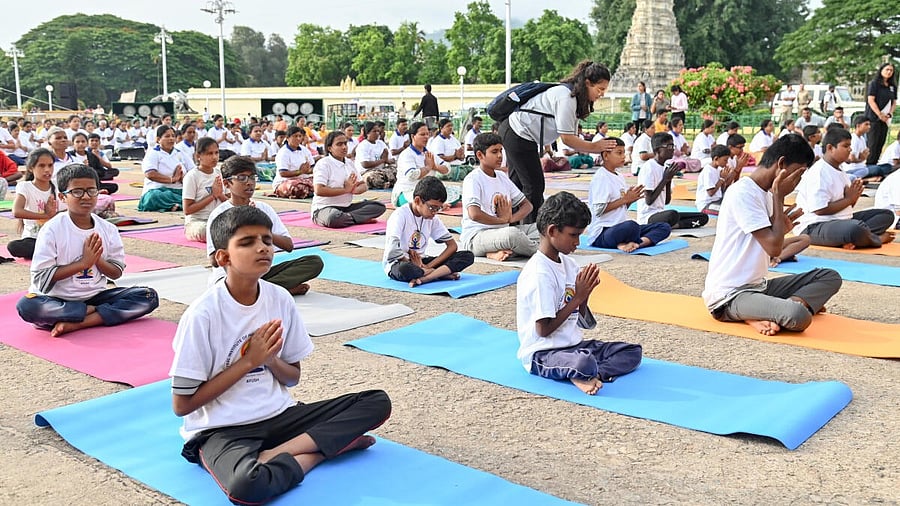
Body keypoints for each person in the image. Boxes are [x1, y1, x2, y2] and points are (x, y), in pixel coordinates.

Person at [171, 205, 391, 505]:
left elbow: (293, 378)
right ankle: (319, 453)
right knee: (247, 487)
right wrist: (248, 362)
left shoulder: (279, 298)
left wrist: (270, 360)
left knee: (376, 402)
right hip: (224, 430)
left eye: (266, 239)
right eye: (248, 242)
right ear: (223, 257)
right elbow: (182, 405)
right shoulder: (203, 314)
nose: (262, 247)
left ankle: (277, 454)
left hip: (280, 416)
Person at [702, 134, 841, 336]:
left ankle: (769, 309)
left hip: (759, 286)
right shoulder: (743, 193)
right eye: (797, 174)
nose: (797, 181)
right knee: (798, 315)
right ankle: (762, 312)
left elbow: (771, 244)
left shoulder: (765, 193)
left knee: (829, 276)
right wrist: (779, 196)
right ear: (781, 164)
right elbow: (774, 248)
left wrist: (781, 224)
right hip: (730, 295)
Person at [516, 191, 642, 395]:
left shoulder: (569, 264)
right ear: (552, 231)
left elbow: (582, 321)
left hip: (575, 346)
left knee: (632, 352)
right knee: (583, 362)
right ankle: (583, 371)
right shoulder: (539, 274)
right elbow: (543, 330)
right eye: (573, 235)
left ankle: (593, 374)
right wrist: (577, 298)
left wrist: (585, 295)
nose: (577, 242)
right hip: (544, 354)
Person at [15, 163, 160, 337]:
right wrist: (83, 263)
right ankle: (94, 312)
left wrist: (97, 260)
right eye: (77, 192)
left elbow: (116, 273)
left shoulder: (108, 229)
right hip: (57, 299)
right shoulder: (53, 228)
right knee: (27, 306)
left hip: (94, 296)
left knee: (148, 296)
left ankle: (78, 322)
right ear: (62, 197)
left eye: (91, 190)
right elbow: (41, 278)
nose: (86, 197)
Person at [498, 61, 617, 224]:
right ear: (587, 83)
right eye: (600, 89)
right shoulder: (566, 96)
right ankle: (531, 232)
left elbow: (571, 135)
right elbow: (567, 138)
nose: (602, 94)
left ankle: (512, 228)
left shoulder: (574, 97)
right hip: (516, 133)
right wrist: (596, 147)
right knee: (534, 186)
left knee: (519, 186)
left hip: (521, 135)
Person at [206, 156, 324, 295]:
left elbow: (288, 245)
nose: (249, 183)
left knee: (314, 262)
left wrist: (261, 229)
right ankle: (275, 290)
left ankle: (264, 290)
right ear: (227, 184)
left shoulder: (263, 208)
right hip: (232, 276)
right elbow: (214, 260)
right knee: (231, 287)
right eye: (242, 178)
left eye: (252, 177)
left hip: (260, 273)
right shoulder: (219, 214)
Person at [793, 128, 896, 249]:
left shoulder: (840, 171)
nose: (850, 149)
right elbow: (819, 210)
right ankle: (876, 239)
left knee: (886, 215)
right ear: (830, 148)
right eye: (845, 146)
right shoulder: (819, 172)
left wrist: (853, 198)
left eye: (850, 145)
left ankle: (856, 238)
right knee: (855, 228)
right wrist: (849, 199)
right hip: (815, 226)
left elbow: (846, 207)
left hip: (841, 221)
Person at [460, 132, 539, 261]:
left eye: (501, 150)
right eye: (494, 152)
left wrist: (510, 219)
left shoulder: (502, 176)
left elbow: (527, 206)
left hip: (502, 231)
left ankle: (501, 252)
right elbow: (474, 214)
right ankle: (541, 251)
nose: (500, 156)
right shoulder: (473, 179)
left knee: (541, 228)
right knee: (512, 235)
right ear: (480, 155)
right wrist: (502, 221)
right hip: (477, 236)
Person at [384, 175, 474, 286]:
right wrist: (414, 264)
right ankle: (439, 274)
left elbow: (452, 246)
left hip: (422, 262)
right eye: (432, 207)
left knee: (467, 256)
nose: (435, 212)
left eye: (438, 208)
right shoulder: (400, 215)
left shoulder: (432, 218)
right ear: (417, 201)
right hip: (401, 262)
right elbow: (392, 250)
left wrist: (428, 266)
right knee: (405, 270)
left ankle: (427, 277)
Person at [586, 137, 670, 252]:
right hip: (603, 232)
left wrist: (631, 199)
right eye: (619, 153)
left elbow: (621, 208)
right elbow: (598, 210)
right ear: (605, 156)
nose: (623, 156)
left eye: (624, 153)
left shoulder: (619, 176)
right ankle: (630, 242)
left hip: (619, 227)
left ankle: (635, 244)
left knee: (663, 227)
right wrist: (625, 199)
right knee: (631, 226)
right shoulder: (601, 177)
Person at [311, 131, 386, 228]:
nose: (344, 147)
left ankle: (350, 218)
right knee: (333, 218)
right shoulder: (324, 164)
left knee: (379, 207)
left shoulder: (349, 163)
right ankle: (358, 218)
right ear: (330, 148)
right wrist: (345, 190)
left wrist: (355, 190)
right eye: (339, 144)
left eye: (345, 143)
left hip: (347, 207)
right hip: (324, 208)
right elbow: (319, 190)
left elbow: (363, 185)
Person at [637, 132, 709, 229]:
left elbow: (666, 201)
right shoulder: (649, 167)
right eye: (669, 146)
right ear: (658, 150)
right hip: (648, 216)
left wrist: (669, 180)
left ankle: (672, 225)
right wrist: (665, 179)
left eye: (673, 146)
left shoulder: (665, 167)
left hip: (661, 213)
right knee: (672, 214)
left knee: (703, 217)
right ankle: (668, 224)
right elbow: (649, 201)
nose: (673, 150)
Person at [7, 149, 57, 259]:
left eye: (50, 165)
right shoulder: (25, 186)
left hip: (55, 236)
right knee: (14, 247)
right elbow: (17, 211)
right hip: (33, 238)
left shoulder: (57, 186)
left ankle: (50, 250)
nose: (47, 170)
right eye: (41, 166)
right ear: (31, 168)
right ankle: (50, 251)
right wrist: (46, 216)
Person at [138, 125, 195, 212]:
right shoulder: (153, 153)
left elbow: (194, 172)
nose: (171, 139)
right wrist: (172, 179)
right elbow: (150, 174)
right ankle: (186, 204)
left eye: (173, 136)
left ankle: (177, 204)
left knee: (199, 194)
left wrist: (185, 179)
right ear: (158, 139)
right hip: (157, 190)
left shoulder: (180, 153)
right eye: (167, 136)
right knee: (153, 197)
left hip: (178, 190)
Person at [392, 121, 450, 206]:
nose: (426, 137)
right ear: (413, 136)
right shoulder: (406, 154)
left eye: (427, 134)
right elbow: (412, 175)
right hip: (407, 191)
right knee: (420, 203)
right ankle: (436, 205)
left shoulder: (429, 153)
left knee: (455, 192)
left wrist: (435, 167)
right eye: (422, 134)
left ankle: (435, 205)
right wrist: (428, 167)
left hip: (428, 192)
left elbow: (447, 169)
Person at [182, 137, 227, 242]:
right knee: (208, 231)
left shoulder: (218, 173)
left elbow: (229, 202)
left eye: (216, 153)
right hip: (197, 222)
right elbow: (187, 210)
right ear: (198, 156)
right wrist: (212, 196)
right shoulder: (192, 176)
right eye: (209, 154)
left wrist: (220, 195)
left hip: (218, 220)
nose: (214, 157)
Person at [842, 116, 895, 181]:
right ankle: (865, 179)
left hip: (862, 166)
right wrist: (861, 159)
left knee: (887, 166)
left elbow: (866, 153)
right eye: (866, 124)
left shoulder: (862, 139)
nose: (869, 127)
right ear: (858, 126)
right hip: (854, 168)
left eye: (869, 124)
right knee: (877, 169)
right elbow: (852, 158)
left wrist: (862, 157)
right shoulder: (854, 139)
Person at [864, 62, 896, 166]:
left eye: (891, 70)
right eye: (887, 69)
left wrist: (890, 114)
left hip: (885, 119)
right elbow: (871, 100)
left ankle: (875, 164)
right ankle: (869, 165)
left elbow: (894, 101)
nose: (889, 72)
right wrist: (879, 114)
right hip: (874, 118)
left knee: (880, 143)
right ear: (881, 70)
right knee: (873, 143)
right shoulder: (875, 84)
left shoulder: (892, 86)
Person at [272, 126, 316, 199]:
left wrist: (307, 171)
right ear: (288, 137)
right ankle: (309, 191)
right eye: (295, 136)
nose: (298, 139)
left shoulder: (305, 150)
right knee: (297, 187)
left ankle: (309, 191)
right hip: (285, 181)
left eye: (300, 136)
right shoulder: (283, 152)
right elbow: (283, 173)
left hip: (304, 179)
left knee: (321, 181)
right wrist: (300, 172)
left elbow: (312, 167)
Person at [695, 145, 738, 216]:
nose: (726, 163)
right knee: (728, 212)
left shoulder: (718, 170)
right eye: (725, 160)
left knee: (735, 205)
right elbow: (711, 192)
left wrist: (725, 179)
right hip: (706, 204)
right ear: (716, 158)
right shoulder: (708, 171)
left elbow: (722, 190)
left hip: (717, 201)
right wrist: (722, 179)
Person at [355, 121, 395, 190]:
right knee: (372, 177)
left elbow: (392, 160)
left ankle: (385, 183)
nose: (377, 133)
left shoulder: (381, 143)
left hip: (381, 171)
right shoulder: (363, 145)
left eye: (378, 131)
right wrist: (382, 160)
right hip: (366, 172)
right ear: (367, 133)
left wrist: (387, 160)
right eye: (374, 131)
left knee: (395, 170)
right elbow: (365, 164)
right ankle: (384, 184)